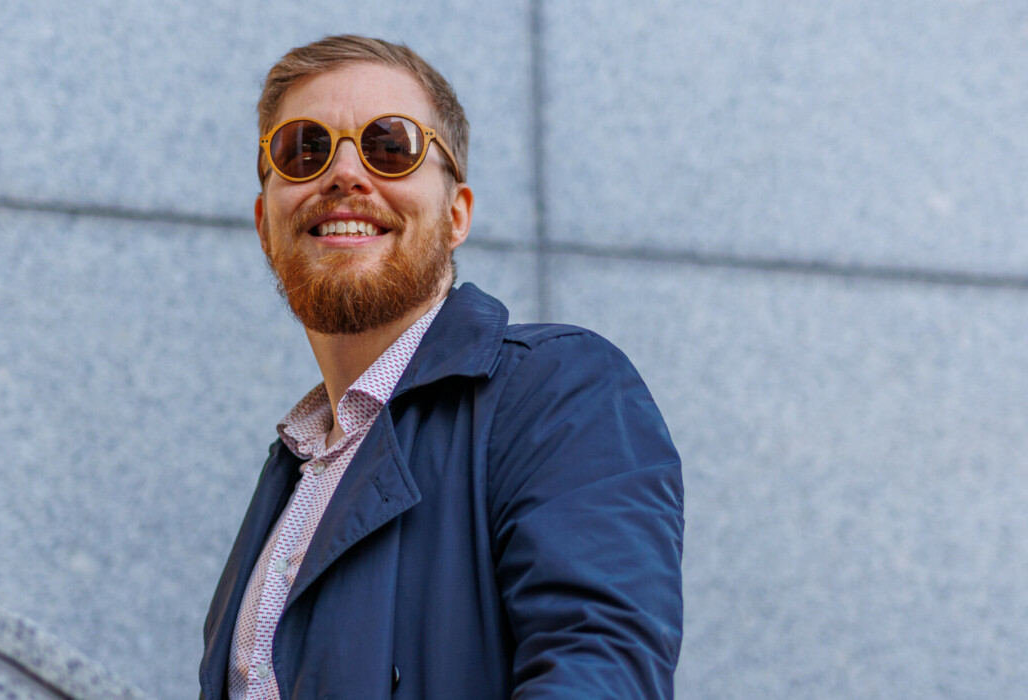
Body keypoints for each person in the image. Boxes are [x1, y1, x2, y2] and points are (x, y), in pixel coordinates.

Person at [199, 35, 683, 700]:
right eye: (304, 149)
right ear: (264, 223)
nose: (344, 174)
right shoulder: (293, 475)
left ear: (456, 216)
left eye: (390, 146)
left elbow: (598, 673)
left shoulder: (556, 391)